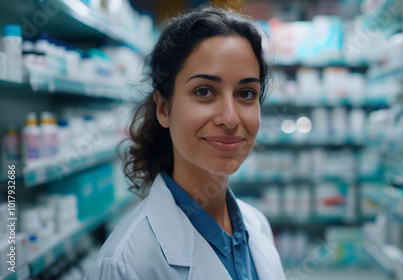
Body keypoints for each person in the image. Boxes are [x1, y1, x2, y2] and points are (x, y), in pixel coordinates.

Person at [84, 6, 286, 280]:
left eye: (246, 93)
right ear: (164, 109)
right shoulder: (125, 263)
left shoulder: (257, 225)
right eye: (204, 91)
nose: (229, 118)